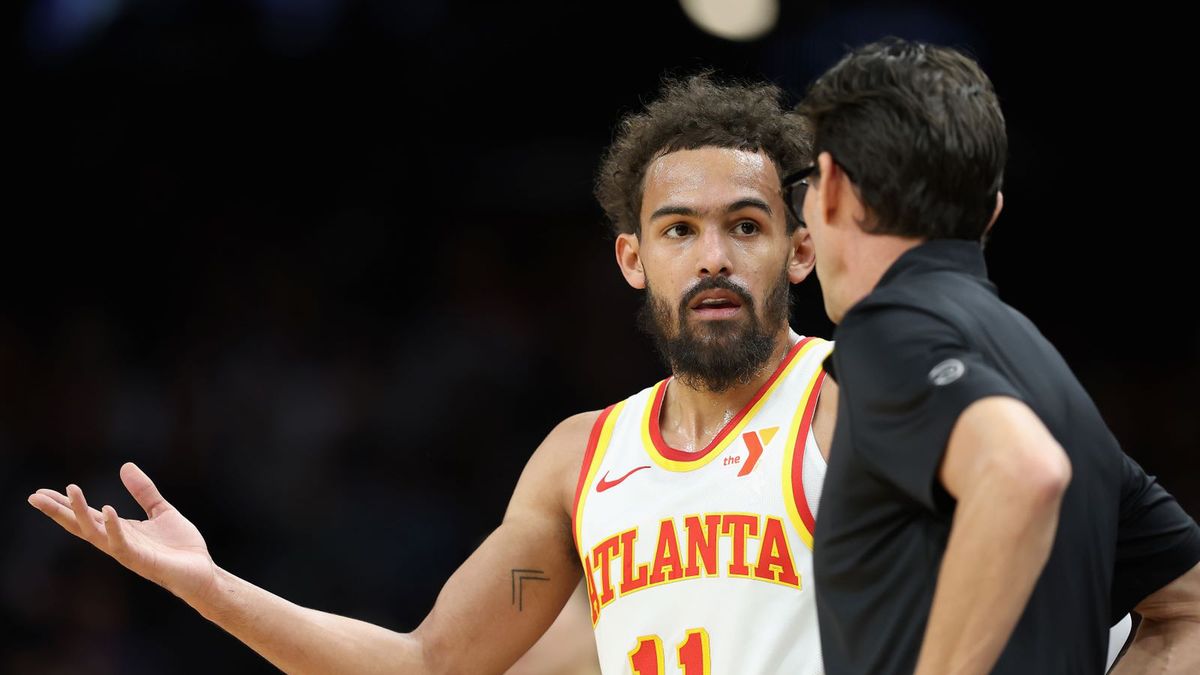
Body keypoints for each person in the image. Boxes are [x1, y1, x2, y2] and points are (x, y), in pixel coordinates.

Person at [28, 73, 834, 674]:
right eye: (680, 229)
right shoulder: (582, 459)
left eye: (747, 225)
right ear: (634, 258)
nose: (714, 257)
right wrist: (208, 584)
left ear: (799, 249)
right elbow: (427, 664)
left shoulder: (847, 402)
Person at [786, 37, 1200, 674]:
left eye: (806, 189)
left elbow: (1021, 471)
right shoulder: (1050, 373)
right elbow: (1189, 607)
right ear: (990, 214)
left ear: (834, 185)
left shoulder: (885, 330)